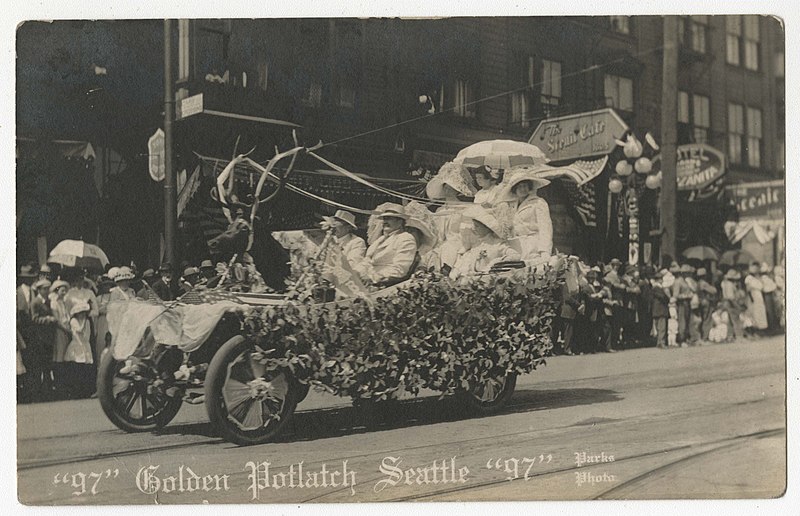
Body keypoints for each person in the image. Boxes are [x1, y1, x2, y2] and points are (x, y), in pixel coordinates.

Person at [426, 162, 477, 272]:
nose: (447, 190)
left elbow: (464, 234)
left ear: (457, 190)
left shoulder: (464, 209)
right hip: (440, 244)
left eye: (451, 188)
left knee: (448, 249)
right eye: (445, 187)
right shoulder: (440, 210)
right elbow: (437, 234)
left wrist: (451, 244)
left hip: (457, 243)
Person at [354, 204, 418, 286]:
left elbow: (399, 270)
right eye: (384, 218)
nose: (385, 222)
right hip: (366, 280)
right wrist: (355, 273)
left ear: (400, 221)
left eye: (390, 218)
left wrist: (373, 278)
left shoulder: (405, 238)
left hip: (384, 284)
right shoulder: (380, 239)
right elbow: (366, 261)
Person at [497, 168, 553, 263]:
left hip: (533, 245)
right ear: (514, 189)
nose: (523, 189)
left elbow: (545, 229)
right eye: (520, 187)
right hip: (516, 246)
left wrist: (545, 251)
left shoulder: (538, 202)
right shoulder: (511, 206)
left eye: (525, 186)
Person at [449, 206, 519, 280]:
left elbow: (515, 255)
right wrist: (457, 271)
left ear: (487, 227)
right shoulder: (476, 246)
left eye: (477, 226)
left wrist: (496, 262)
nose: (473, 229)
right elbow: (467, 264)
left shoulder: (497, 244)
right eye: (473, 226)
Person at [28, 279, 57, 399]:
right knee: (41, 363)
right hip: (40, 337)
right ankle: (41, 391)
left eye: (47, 289)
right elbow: (34, 318)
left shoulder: (48, 301)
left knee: (47, 364)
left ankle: (48, 389)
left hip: (48, 337)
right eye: (44, 289)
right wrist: (47, 319)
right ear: (39, 290)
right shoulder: (35, 302)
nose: (46, 291)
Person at [63, 302, 95, 398]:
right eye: (80, 312)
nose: (82, 314)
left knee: (85, 369)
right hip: (76, 345)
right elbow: (79, 330)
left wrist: (86, 321)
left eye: (84, 312)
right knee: (77, 369)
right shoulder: (73, 321)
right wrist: (84, 321)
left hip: (84, 345)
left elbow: (87, 335)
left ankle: (85, 391)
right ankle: (76, 392)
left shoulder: (88, 322)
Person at [49, 279, 71, 394]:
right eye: (62, 290)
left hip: (67, 330)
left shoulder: (63, 302)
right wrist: (66, 329)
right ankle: (58, 386)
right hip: (60, 331)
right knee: (59, 356)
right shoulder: (54, 303)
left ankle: (64, 385)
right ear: (57, 290)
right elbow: (57, 320)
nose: (64, 293)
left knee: (65, 356)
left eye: (65, 291)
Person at [743, 262, 768, 336]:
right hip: (753, 296)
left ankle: (761, 329)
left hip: (758, 295)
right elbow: (748, 288)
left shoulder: (757, 278)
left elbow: (762, 286)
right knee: (755, 312)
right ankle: (755, 329)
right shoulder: (749, 278)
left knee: (760, 311)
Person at [720, 269, 746, 340]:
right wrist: (736, 305)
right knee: (736, 319)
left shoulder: (724, 283)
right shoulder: (730, 285)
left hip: (726, 302)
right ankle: (739, 335)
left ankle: (730, 335)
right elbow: (731, 297)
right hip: (731, 302)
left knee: (730, 320)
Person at [650, 270, 670, 349]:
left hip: (657, 310)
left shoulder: (654, 288)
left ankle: (659, 342)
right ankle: (661, 342)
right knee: (662, 327)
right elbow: (663, 297)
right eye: (661, 279)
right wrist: (667, 296)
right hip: (660, 309)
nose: (662, 280)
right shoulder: (657, 288)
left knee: (659, 327)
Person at [759, 263, 780, 335]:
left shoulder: (761, 278)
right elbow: (773, 286)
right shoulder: (766, 279)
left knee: (769, 311)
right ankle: (772, 327)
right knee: (770, 311)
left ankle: (771, 327)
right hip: (768, 295)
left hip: (766, 295)